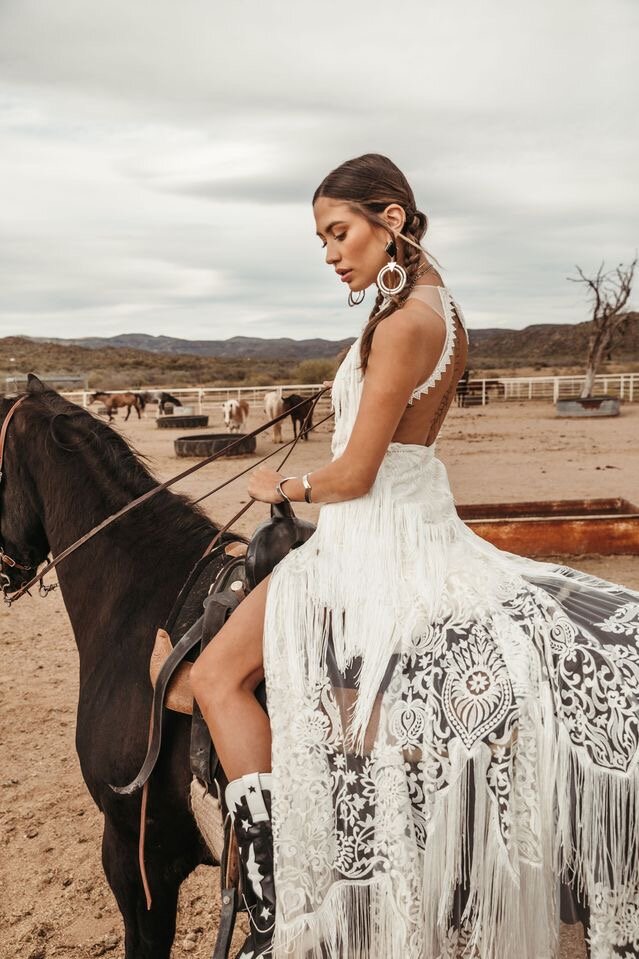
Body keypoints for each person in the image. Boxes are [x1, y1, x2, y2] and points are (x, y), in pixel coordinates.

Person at [191, 154, 639, 959]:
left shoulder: (404, 325)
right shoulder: (442, 308)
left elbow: (356, 473)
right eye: (321, 239)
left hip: (371, 540)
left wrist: (278, 482)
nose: (330, 253)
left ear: (389, 218)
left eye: (339, 232)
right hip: (407, 518)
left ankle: (268, 897)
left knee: (215, 676)